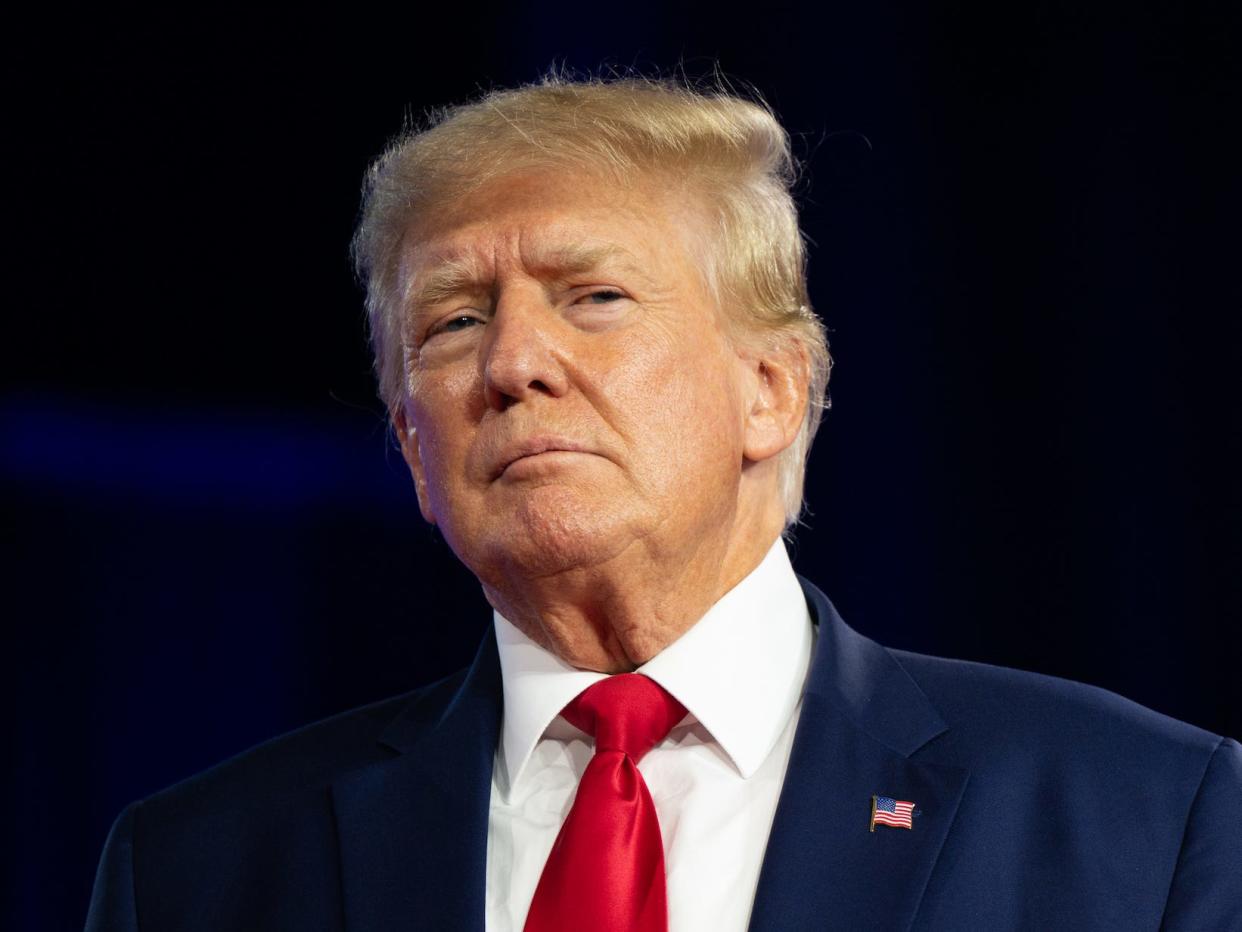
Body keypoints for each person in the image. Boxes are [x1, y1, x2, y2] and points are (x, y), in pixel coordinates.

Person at [86, 76, 1240, 932]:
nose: (514, 362)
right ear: (409, 443)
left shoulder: (1146, 816)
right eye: (453, 320)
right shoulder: (200, 870)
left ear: (770, 389)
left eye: (594, 295)